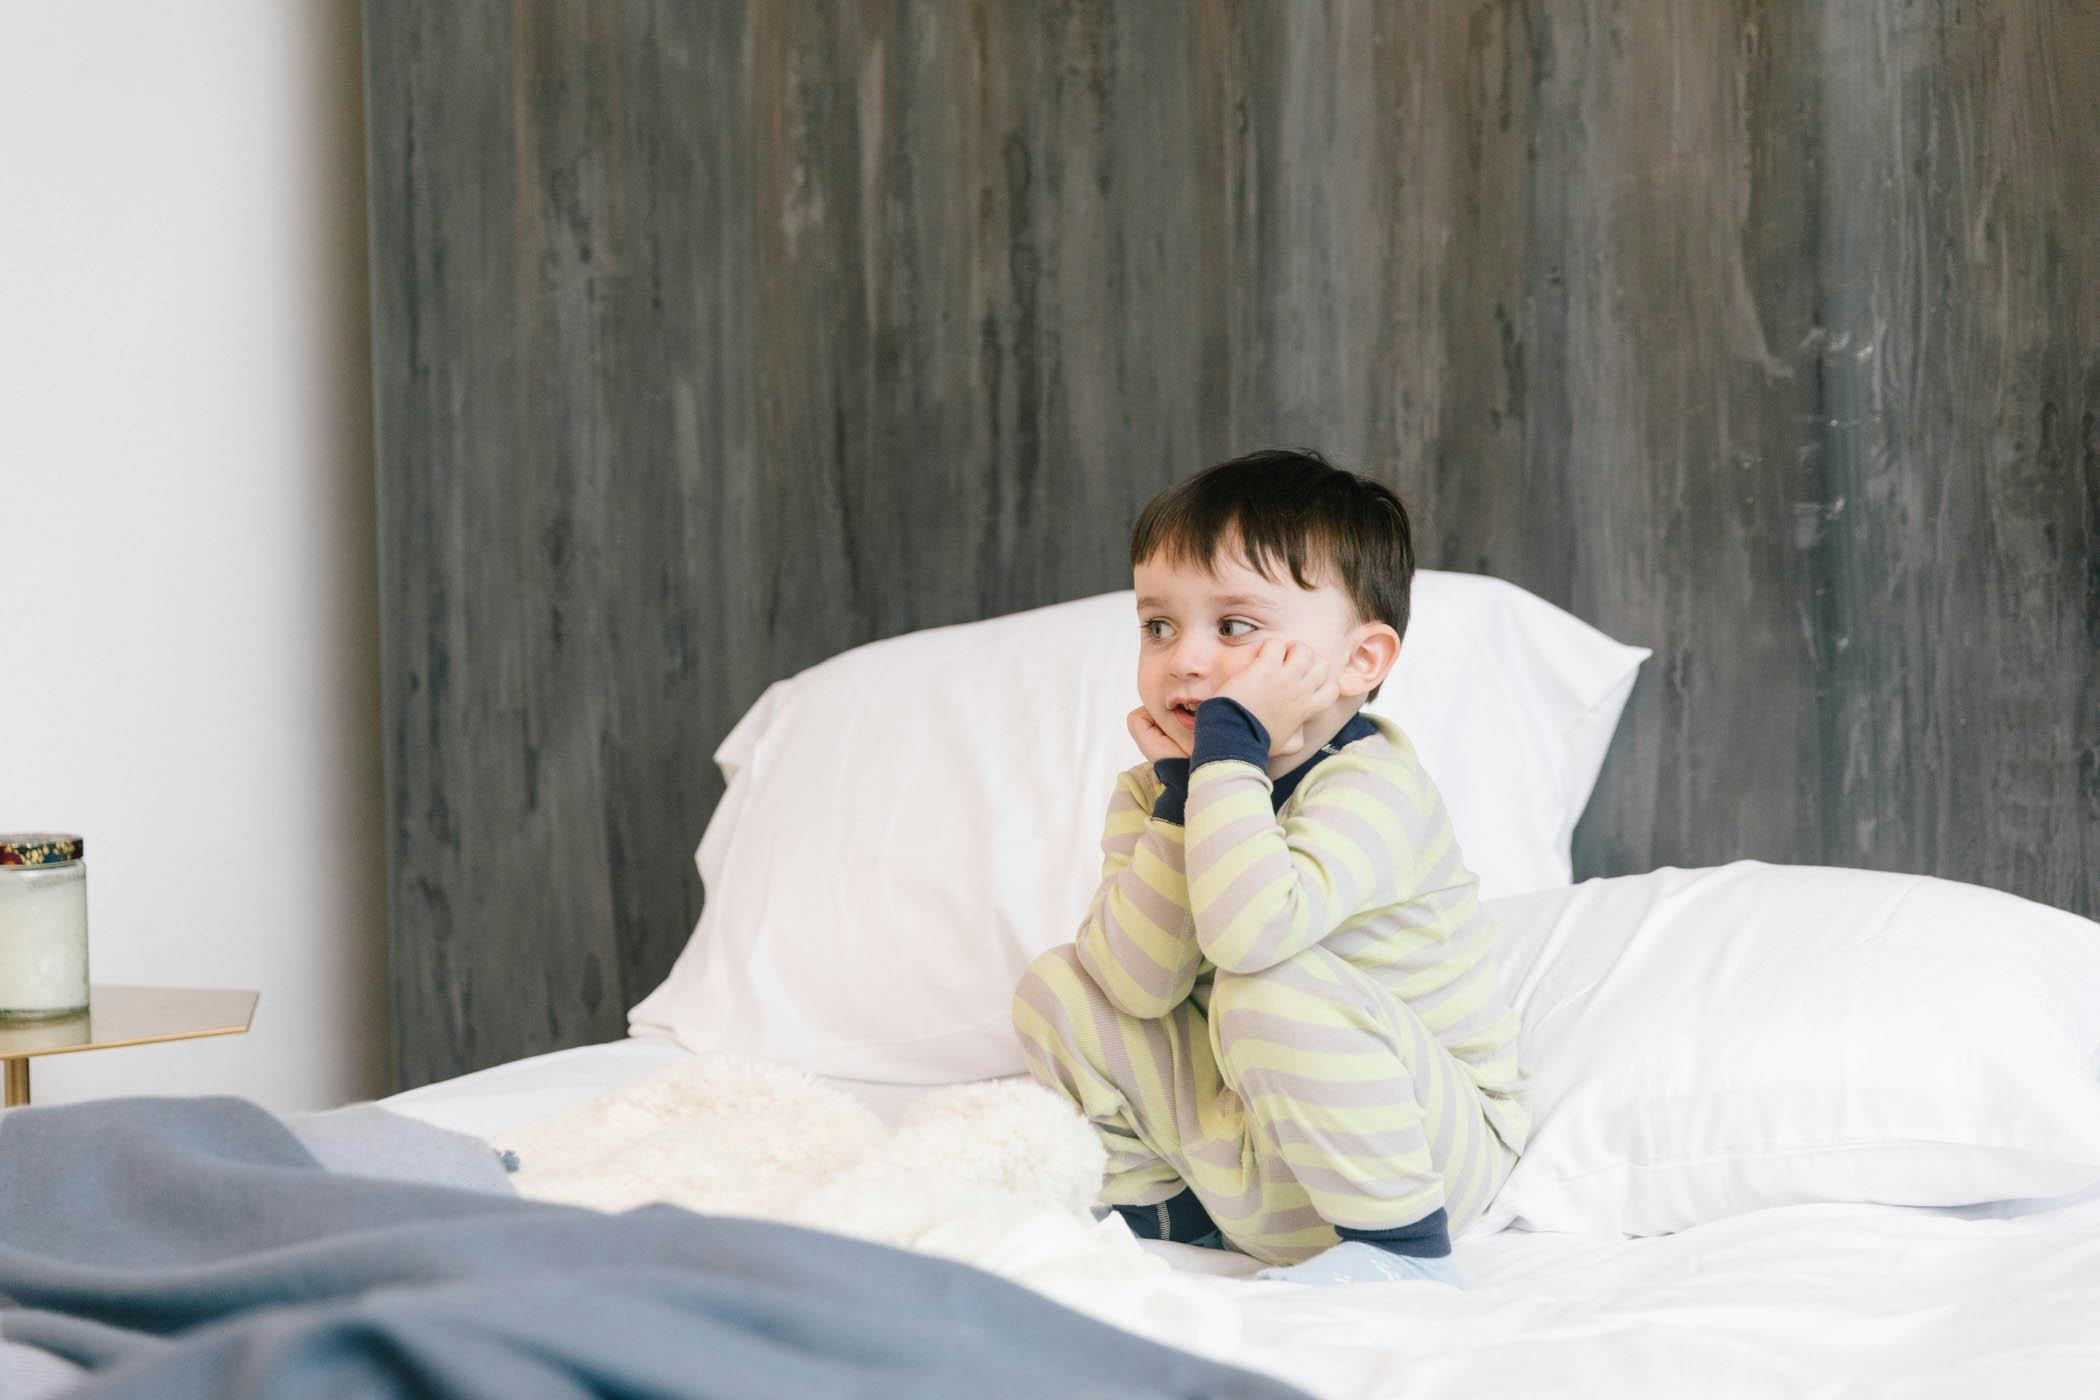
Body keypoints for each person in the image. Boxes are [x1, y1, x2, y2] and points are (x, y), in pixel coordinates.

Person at [1010, 448, 1532, 1287]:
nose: (1183, 659)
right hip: (1260, 1153)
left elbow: (1253, 932)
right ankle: (1171, 1218)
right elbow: (1135, 985)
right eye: (1158, 626)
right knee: (1060, 985)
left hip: (1421, 1152)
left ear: (1361, 662)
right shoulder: (1156, 792)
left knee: (1267, 982)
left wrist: (1228, 751)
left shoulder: (1375, 784)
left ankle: (1403, 1258)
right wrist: (1185, 797)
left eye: (1236, 627)